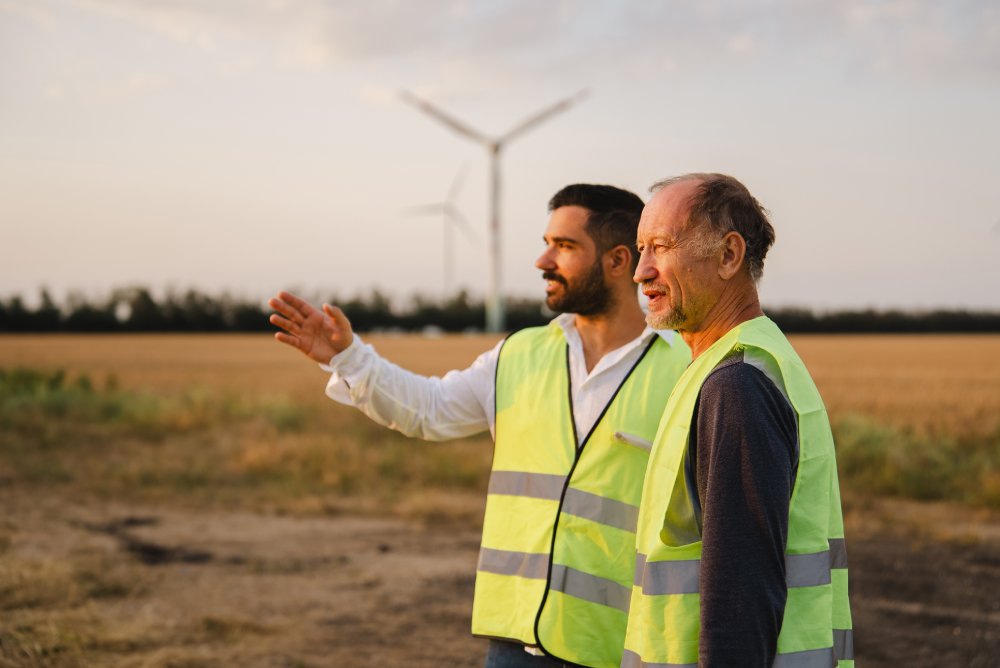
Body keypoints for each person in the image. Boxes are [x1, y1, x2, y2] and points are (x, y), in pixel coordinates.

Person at [268, 184, 692, 668]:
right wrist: (348, 358)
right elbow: (427, 410)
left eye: (565, 246)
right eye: (547, 242)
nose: (542, 260)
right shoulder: (517, 355)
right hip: (515, 644)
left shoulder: (685, 371)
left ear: (619, 261)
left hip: (624, 649)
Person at [622, 173, 853, 667]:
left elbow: (740, 596)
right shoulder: (740, 363)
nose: (640, 272)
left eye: (660, 247)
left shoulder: (737, 384)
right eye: (640, 249)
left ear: (729, 256)